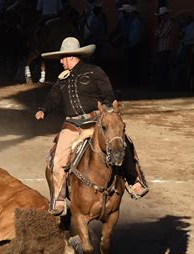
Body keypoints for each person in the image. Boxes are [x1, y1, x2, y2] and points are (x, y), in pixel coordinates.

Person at [35, 37, 148, 215]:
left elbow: (108, 94)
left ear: (71, 56)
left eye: (63, 58)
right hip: (72, 125)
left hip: (96, 122)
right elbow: (54, 98)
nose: (61, 61)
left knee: (122, 142)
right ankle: (58, 198)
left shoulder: (95, 72)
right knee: (58, 159)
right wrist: (43, 109)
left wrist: (109, 109)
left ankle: (134, 181)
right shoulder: (62, 78)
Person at [117, 4, 143, 87]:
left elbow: (135, 36)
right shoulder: (131, 21)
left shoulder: (135, 21)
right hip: (131, 45)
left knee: (133, 64)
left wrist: (131, 44)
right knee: (132, 64)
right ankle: (132, 81)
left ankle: (134, 82)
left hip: (133, 46)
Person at [154, 6, 174, 91]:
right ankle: (162, 85)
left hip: (166, 48)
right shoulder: (162, 23)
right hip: (161, 48)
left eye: (162, 15)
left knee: (165, 68)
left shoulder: (169, 23)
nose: (162, 17)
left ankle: (166, 86)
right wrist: (159, 32)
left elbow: (161, 34)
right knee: (161, 67)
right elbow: (156, 33)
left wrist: (159, 32)